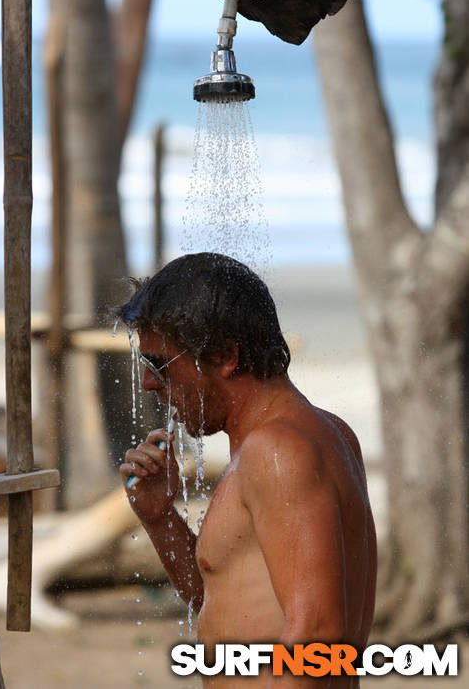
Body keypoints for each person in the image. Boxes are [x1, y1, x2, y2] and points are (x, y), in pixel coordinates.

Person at [119, 252, 377, 687]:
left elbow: (318, 635)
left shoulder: (278, 451)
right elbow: (223, 600)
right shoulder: (323, 434)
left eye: (159, 364)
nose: (148, 383)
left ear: (224, 357)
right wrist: (161, 517)